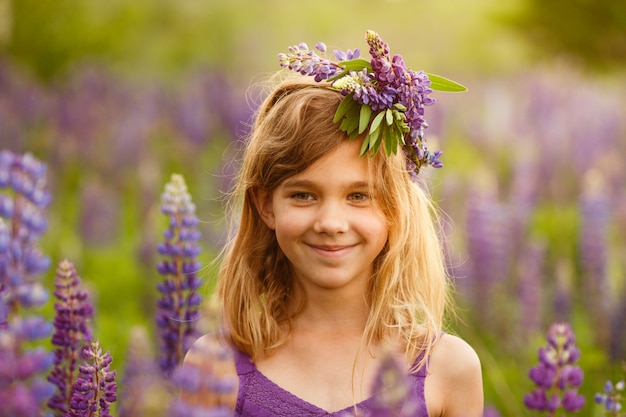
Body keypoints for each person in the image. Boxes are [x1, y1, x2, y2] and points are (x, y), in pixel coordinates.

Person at [186, 30, 483, 417]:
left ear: (394, 208)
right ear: (264, 205)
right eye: (303, 195)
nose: (330, 222)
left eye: (359, 196)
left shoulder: (448, 368)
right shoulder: (217, 366)